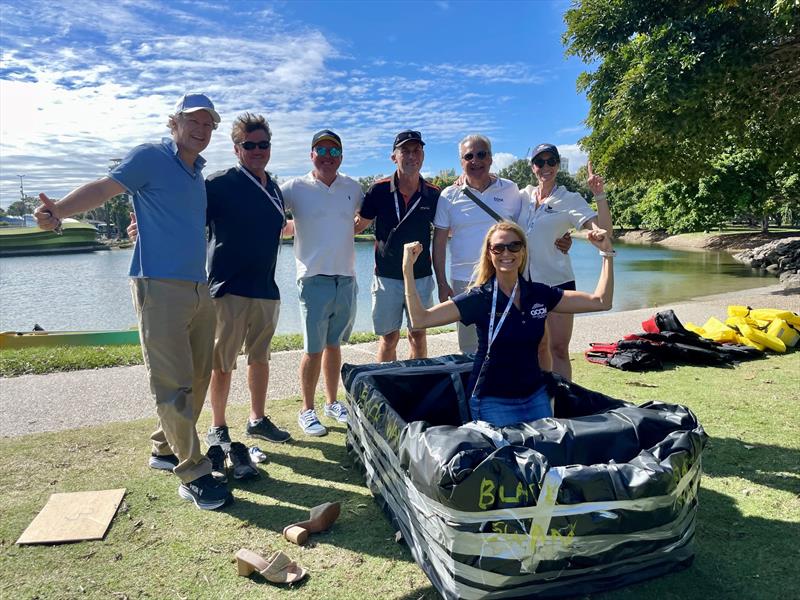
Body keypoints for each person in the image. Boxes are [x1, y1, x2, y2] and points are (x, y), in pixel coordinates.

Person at [34, 93, 231, 510]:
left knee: (199, 376)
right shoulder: (149, 156)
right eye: (193, 121)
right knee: (172, 382)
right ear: (173, 123)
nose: (201, 129)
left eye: (209, 124)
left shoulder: (196, 172)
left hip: (199, 286)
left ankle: (163, 447)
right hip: (158, 286)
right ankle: (192, 472)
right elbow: (104, 188)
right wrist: (60, 212)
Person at [402, 221, 614, 427]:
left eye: (514, 246)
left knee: (546, 457)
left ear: (523, 251)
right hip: (493, 400)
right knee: (508, 461)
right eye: (498, 248)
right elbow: (421, 320)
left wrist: (606, 253)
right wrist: (407, 270)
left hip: (536, 396)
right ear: (489, 253)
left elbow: (601, 301)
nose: (506, 253)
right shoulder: (479, 298)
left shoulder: (539, 293)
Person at [280, 130, 363, 436]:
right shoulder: (294, 188)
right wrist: (289, 229)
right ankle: (307, 410)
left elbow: (365, 217)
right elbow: (270, 214)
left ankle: (331, 402)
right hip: (312, 279)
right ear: (311, 154)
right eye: (322, 151)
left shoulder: (353, 187)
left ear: (340, 156)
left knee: (334, 345)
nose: (328, 158)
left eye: (333, 152)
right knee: (313, 349)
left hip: (346, 277)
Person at [519, 144, 612, 380]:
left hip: (557, 282)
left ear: (558, 165)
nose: (546, 167)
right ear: (533, 167)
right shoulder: (523, 196)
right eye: (540, 162)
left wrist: (599, 194)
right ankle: (539, 402)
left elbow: (604, 232)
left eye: (551, 161)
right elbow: (491, 192)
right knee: (532, 349)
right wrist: (463, 180)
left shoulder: (570, 199)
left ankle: (564, 403)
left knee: (558, 350)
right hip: (525, 285)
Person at [432, 134, 523, 354]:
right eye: (468, 156)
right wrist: (442, 282)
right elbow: (439, 243)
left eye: (481, 154)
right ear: (461, 162)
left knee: (508, 342)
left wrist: (562, 237)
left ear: (491, 158)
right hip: (465, 281)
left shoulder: (510, 190)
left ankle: (508, 388)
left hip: (506, 279)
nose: (475, 160)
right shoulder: (448, 195)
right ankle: (475, 388)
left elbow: (526, 230)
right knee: (470, 348)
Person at [355, 130, 440, 362]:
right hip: (387, 276)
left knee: (418, 335)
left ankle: (418, 385)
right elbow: (358, 226)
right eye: (405, 151)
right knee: (389, 338)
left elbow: (448, 230)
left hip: (421, 275)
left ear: (422, 155)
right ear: (394, 157)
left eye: (417, 150)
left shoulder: (433, 194)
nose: (411, 156)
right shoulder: (378, 190)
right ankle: (385, 388)